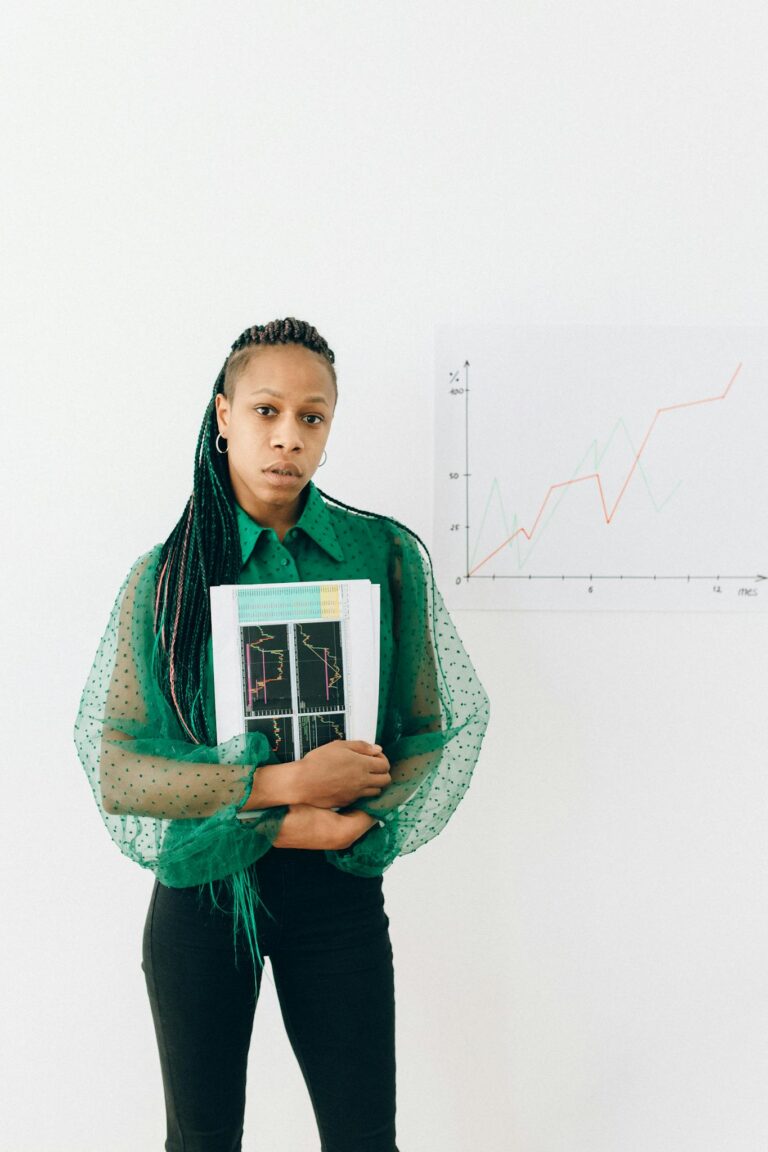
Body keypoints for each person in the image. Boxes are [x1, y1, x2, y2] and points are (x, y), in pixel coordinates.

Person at [73, 316, 490, 1152]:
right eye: (265, 411)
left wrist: (361, 818)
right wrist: (285, 795)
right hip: (202, 898)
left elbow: (433, 728)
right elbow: (116, 766)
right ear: (223, 415)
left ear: (330, 428)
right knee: (201, 1141)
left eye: (312, 417)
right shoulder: (165, 579)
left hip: (335, 892)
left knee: (364, 1137)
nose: (287, 437)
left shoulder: (383, 557)